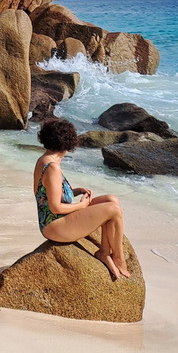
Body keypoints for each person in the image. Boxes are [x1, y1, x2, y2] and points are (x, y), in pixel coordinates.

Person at [34, 117, 131, 280]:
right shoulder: (52, 167)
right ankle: (119, 259)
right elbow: (55, 207)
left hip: (56, 221)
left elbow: (49, 193)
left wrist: (76, 191)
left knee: (112, 199)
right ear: (67, 143)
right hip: (55, 226)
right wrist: (82, 205)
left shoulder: (45, 160)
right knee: (113, 211)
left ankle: (104, 252)